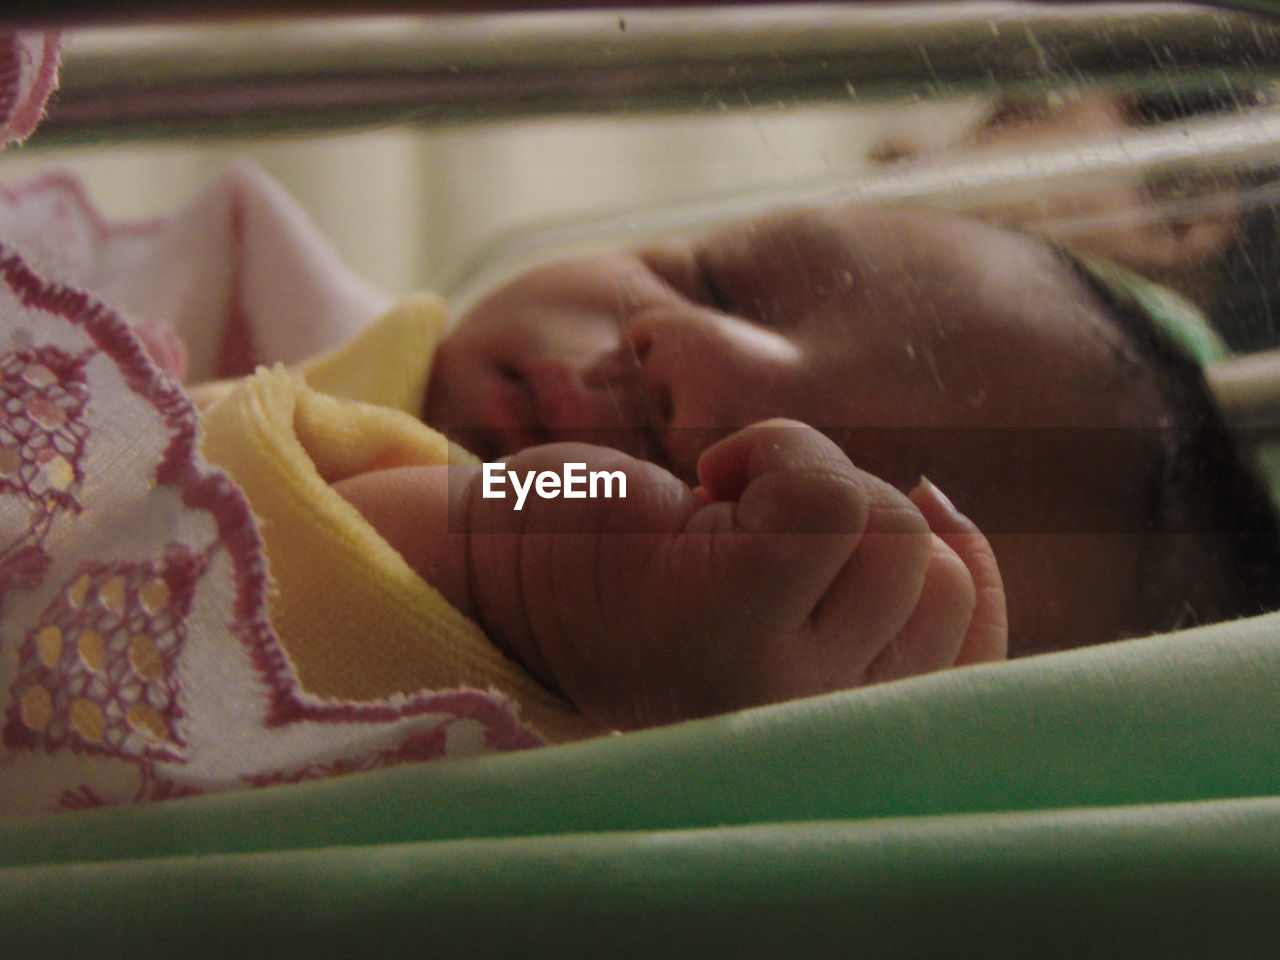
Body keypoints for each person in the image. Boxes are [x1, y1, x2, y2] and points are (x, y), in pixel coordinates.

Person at [324, 202, 1280, 733]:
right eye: (719, 282)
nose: (690, 359)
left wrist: (517, 549)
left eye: (816, 513)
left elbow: (448, 507)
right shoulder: (265, 303)